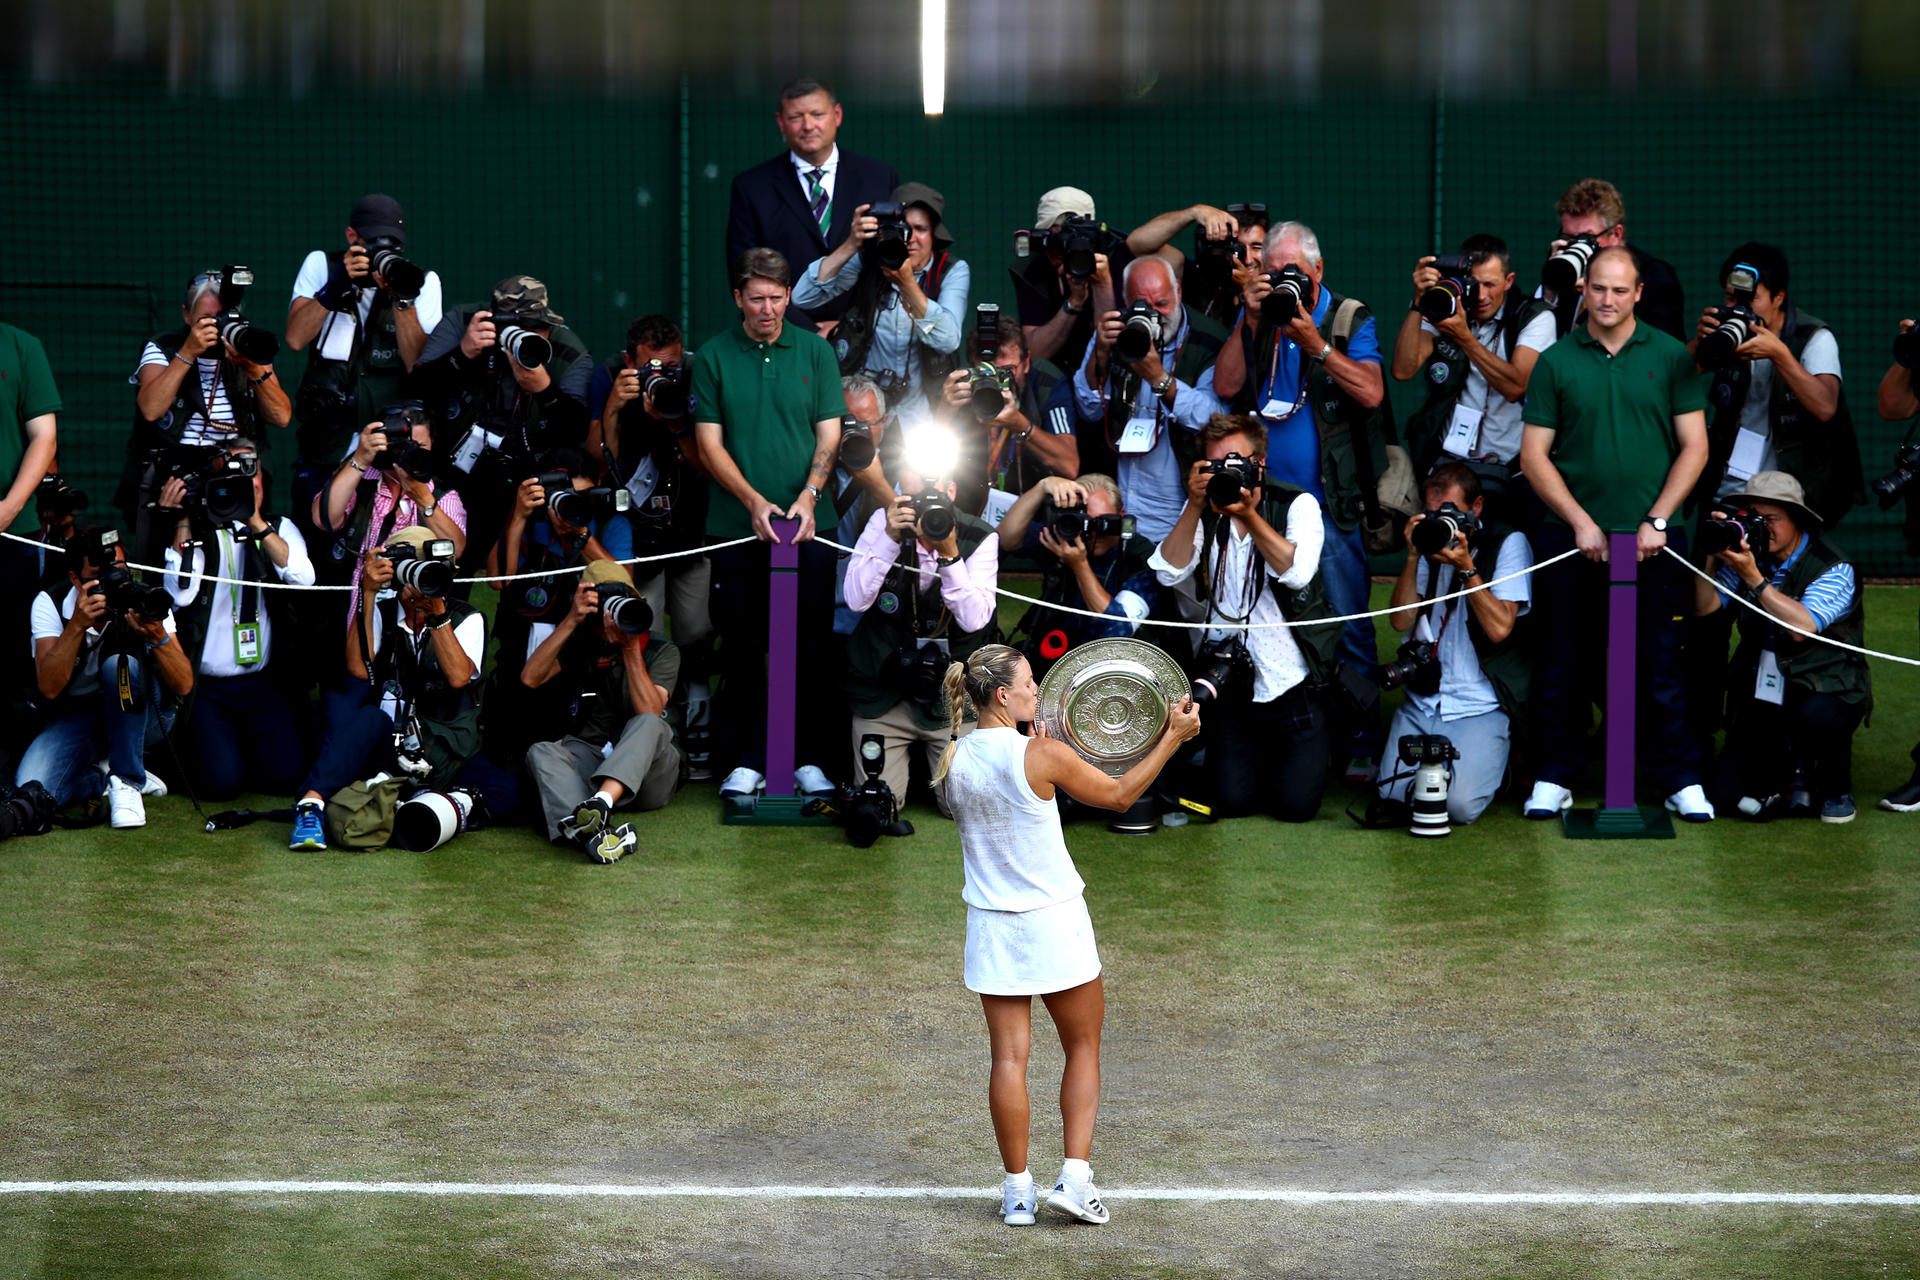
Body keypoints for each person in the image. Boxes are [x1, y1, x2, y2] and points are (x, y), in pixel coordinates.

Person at [933, 643, 1201, 1227]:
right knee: (1083, 1048)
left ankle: (1017, 1195)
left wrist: (1050, 741)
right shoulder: (1042, 754)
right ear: (1003, 695)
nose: (1039, 690)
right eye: (1030, 682)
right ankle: (1076, 1179)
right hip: (1054, 924)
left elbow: (1018, 787)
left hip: (992, 928)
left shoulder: (952, 763)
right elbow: (1120, 795)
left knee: (1008, 1059)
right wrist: (1173, 737)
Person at [1519, 245, 1714, 821]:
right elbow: (1534, 457)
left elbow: (1695, 448)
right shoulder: (1555, 360)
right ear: (1584, 290)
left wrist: (1656, 520)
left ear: (1638, 294)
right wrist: (1581, 523)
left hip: (1657, 541)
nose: (1607, 300)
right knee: (1562, 662)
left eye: (1618, 290)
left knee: (1660, 663)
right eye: (1597, 288)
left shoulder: (1674, 356)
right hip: (1569, 540)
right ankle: (1555, 774)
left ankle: (1680, 776)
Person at [1203, 220, 1391, 775]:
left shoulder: (1348, 318)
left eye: (1297, 274)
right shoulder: (1259, 316)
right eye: (1276, 271)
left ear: (1318, 271)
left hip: (1327, 505)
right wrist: (1250, 315)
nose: (1287, 282)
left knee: (1349, 622)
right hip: (1261, 501)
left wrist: (1316, 346)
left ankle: (1360, 743)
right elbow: (1224, 386)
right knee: (1259, 620)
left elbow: (1372, 392)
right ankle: (1292, 737)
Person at [692, 248, 846, 796]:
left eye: (777, 298)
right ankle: (745, 760)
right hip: (736, 526)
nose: (767, 309)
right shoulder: (712, 356)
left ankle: (810, 761)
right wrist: (754, 501)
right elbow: (709, 443)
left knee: (811, 647)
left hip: (812, 524)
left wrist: (808, 496)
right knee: (741, 644)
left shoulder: (815, 352)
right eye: (756, 298)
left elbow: (831, 433)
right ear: (738, 298)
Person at [1150, 415, 1334, 821]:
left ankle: (1286, 764)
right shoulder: (1204, 506)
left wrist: (1250, 514)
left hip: (1289, 680)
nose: (1225, 473)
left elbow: (1296, 573)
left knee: (1297, 808)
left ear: (1261, 463)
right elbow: (1169, 571)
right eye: (1215, 464)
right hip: (1228, 681)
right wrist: (1196, 504)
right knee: (1231, 804)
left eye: (1235, 462)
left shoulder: (1296, 503)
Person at [288, 527, 507, 850]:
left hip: (448, 749)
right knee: (367, 718)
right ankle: (311, 806)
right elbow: (358, 670)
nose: (419, 579)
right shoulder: (384, 610)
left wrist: (437, 616)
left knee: (508, 790)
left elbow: (460, 677)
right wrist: (368, 594)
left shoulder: (466, 617)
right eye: (412, 569)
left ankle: (425, 802)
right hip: (391, 744)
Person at [1691, 472, 1868, 825]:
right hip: (1764, 687)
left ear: (1797, 520)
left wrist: (1753, 578)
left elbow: (1802, 627)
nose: (1761, 528)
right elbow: (1704, 608)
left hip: (1825, 683)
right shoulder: (1745, 556)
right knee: (1724, 791)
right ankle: (1783, 777)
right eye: (1753, 518)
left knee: (1818, 716)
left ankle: (1835, 788)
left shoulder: (1834, 566)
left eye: (1770, 519)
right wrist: (1713, 553)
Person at [841, 451, 1000, 817]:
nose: (922, 510)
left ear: (952, 492)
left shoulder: (979, 535)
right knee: (879, 803)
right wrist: (888, 540)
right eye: (912, 499)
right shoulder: (883, 523)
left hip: (951, 701)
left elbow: (975, 619)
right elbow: (855, 599)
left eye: (933, 499)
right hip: (882, 692)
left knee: (961, 807)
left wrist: (950, 557)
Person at [1376, 462, 1533, 826]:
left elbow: (1499, 629)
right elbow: (1400, 620)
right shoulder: (1428, 545)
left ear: (1475, 507)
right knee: (1391, 795)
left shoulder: (1507, 543)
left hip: (1479, 704)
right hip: (1423, 701)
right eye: (1432, 513)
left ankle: (1501, 764)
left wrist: (1465, 565)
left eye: (1448, 513)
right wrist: (1413, 555)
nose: (1439, 522)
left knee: (1459, 807)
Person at [284, 194, 444, 548]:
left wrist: (402, 298)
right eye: (372, 244)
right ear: (351, 237)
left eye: (392, 246)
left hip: (386, 445)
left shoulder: (422, 282)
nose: (380, 254)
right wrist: (337, 287)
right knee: (316, 540)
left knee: (378, 545)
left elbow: (416, 363)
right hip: (327, 438)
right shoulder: (323, 266)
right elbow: (295, 338)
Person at [159, 440, 314, 800]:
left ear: (264, 477)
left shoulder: (278, 527)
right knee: (221, 785)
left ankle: (246, 749)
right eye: (229, 473)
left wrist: (254, 521)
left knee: (286, 777)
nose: (244, 481)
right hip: (209, 687)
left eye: (250, 471)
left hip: (262, 683)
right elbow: (179, 594)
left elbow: (304, 578)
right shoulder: (198, 532)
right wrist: (182, 521)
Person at [412, 275, 593, 568]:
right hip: (455, 461)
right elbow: (416, 390)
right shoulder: (465, 322)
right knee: (450, 565)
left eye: (538, 329)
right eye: (519, 330)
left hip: (531, 471)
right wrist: (463, 353)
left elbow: (576, 431)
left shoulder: (567, 351)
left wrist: (545, 391)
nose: (529, 337)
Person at [19, 527, 194, 827]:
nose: (115, 579)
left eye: (120, 570)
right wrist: (76, 625)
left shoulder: (146, 598)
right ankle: (103, 774)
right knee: (34, 788)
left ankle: (127, 780)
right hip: (80, 716)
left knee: (120, 666)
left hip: (146, 715)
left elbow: (184, 684)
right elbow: (48, 688)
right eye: (102, 573)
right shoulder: (52, 601)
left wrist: (158, 636)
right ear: (76, 578)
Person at [126, 267, 292, 562]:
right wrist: (188, 352)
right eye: (207, 320)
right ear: (187, 316)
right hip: (177, 483)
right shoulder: (163, 346)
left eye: (223, 319)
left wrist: (252, 367)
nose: (216, 328)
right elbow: (151, 409)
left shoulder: (247, 348)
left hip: (234, 477)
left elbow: (281, 417)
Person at [523, 560, 683, 864]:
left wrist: (629, 648)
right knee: (541, 750)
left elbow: (650, 710)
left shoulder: (661, 650)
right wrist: (571, 620)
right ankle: (595, 834)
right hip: (593, 757)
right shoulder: (583, 641)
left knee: (650, 722)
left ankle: (599, 804)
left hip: (650, 775)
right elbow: (531, 677)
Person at [1689, 243, 1862, 522]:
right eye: (1731, 299)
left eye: (1750, 299)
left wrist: (1780, 354)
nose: (1739, 309)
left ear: (1779, 297)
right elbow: (1673, 380)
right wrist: (1702, 343)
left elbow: (1825, 407)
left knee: (1771, 562)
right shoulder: (1728, 330)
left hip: (1789, 494)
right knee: (1714, 559)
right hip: (1727, 487)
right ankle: (1622, 567)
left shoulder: (1811, 337)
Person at [1070, 256, 1227, 544]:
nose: (1154, 315)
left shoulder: (1208, 340)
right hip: (1125, 504)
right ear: (1127, 300)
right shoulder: (1117, 330)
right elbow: (1088, 407)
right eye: (1142, 305)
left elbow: (1215, 419)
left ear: (1178, 291)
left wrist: (1159, 378)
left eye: (1162, 304)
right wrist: (1100, 354)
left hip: (1181, 508)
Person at [725, 77, 899, 331]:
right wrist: (810, 333)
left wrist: (849, 328)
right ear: (780, 122)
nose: (808, 126)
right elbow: (742, 272)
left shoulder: (879, 178)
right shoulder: (752, 187)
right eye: (796, 117)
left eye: (817, 114)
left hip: (867, 334)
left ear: (837, 115)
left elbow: (895, 262)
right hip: (784, 335)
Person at [792, 182, 970, 430]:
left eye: (921, 229)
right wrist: (851, 245)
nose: (911, 238)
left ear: (934, 235)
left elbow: (949, 339)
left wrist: (907, 283)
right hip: (864, 410)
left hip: (918, 415)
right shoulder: (869, 260)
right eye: (904, 229)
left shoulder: (951, 270)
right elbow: (803, 297)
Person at [1392, 234, 1556, 475]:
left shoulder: (1534, 316)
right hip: (1449, 464)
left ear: (1509, 281)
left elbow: (1515, 387)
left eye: (1490, 284)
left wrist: (1463, 337)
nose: (1480, 296)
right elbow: (1403, 370)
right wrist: (1418, 303)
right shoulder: (1445, 305)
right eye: (1474, 283)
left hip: (1508, 465)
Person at [311, 409, 469, 638]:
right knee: (359, 668)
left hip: (419, 601)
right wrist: (360, 458)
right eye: (405, 445)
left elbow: (458, 549)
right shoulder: (362, 481)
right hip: (360, 601)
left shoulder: (442, 494)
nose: (412, 453)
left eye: (420, 446)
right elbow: (323, 519)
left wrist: (423, 498)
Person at [996, 474, 1158, 673]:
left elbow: (1119, 628)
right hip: (1056, 654)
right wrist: (1040, 487)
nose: (1093, 532)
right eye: (1086, 521)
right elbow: (1004, 539)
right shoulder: (1063, 537)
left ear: (1121, 515)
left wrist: (1079, 564)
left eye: (1103, 522)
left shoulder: (1139, 554)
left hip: (1114, 665)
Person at [0, 318, 62, 767]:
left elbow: (44, 436)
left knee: (8, 652)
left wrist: (8, 507)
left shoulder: (22, 346)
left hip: (11, 533)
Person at [941, 317, 1075, 498]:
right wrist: (943, 410)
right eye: (987, 372)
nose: (997, 382)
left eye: (1007, 371)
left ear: (1026, 363)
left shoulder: (1045, 382)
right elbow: (924, 461)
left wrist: (1020, 424)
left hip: (1036, 506)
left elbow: (1069, 465)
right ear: (972, 366)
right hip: (970, 503)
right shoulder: (962, 386)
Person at [1543, 178, 1686, 342]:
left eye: (1587, 238)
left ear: (1616, 234)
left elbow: (1663, 354)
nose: (1576, 246)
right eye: (1569, 237)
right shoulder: (1566, 265)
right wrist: (1551, 288)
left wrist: (1596, 295)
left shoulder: (1655, 277)